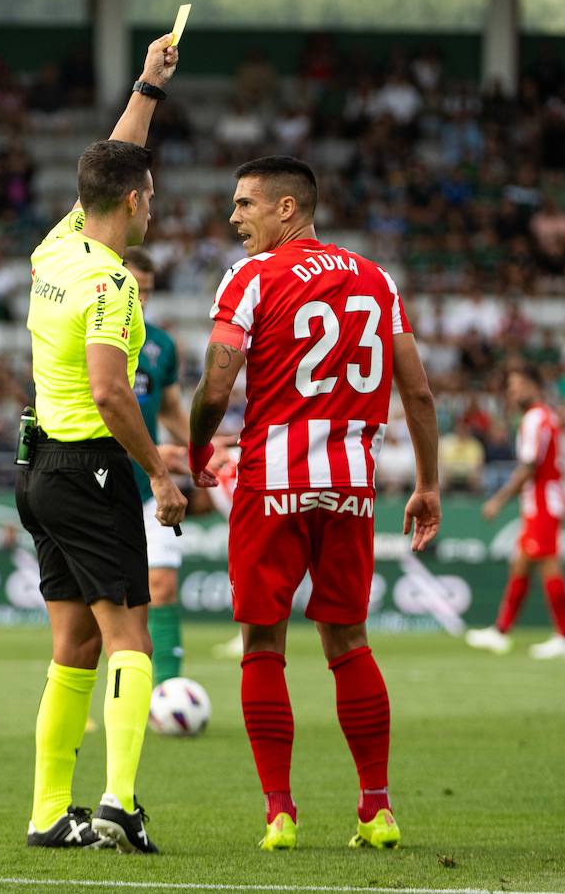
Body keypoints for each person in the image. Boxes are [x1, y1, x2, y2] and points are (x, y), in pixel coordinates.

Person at [187, 155, 441, 852]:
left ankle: (279, 813)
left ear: (286, 210)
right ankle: (377, 809)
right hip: (352, 485)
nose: (235, 217)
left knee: (262, 646)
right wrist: (427, 483)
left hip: (273, 483)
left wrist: (195, 451)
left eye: (245, 204)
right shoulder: (376, 280)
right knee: (349, 642)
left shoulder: (250, 277)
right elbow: (417, 392)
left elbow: (216, 386)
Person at [16, 34, 185, 853]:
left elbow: (114, 158)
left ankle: (51, 812)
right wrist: (160, 473)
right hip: (89, 468)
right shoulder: (112, 283)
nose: (152, 208)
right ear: (129, 204)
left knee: (73, 645)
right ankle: (119, 801)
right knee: (129, 638)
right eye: (149, 198)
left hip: (38, 468)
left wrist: (147, 87)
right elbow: (114, 391)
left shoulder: (57, 247)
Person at [466, 366, 565, 659]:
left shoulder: (535, 418)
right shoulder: (544, 416)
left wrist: (497, 501)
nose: (513, 392)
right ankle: (501, 631)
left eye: (518, 385)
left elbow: (528, 468)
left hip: (543, 500)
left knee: (548, 563)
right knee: (521, 563)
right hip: (542, 500)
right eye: (511, 387)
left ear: (534, 386)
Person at [124, 246, 190, 686]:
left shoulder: (160, 345)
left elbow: (168, 410)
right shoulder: (90, 337)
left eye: (146, 291)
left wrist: (203, 448)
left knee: (162, 585)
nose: (141, 299)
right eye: (134, 288)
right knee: (99, 603)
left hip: (150, 486)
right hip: (99, 482)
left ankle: (167, 691)